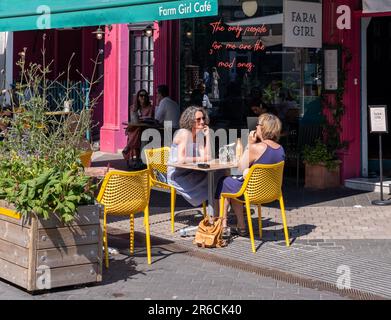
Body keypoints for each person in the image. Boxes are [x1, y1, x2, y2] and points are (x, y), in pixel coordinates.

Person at [215, 113, 285, 237]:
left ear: (263, 128)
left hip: (252, 192)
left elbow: (240, 168)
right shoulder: (280, 149)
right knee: (235, 183)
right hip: (271, 193)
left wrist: (249, 144)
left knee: (224, 181)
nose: (255, 127)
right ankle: (241, 227)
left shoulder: (256, 148)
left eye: (257, 125)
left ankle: (223, 225)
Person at [168, 106, 222, 207]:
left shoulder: (199, 135)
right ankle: (216, 214)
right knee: (215, 180)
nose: (202, 122)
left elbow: (208, 157)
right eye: (198, 119)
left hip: (191, 171)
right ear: (190, 121)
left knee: (220, 175)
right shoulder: (184, 133)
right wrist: (201, 159)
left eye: (203, 118)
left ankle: (218, 214)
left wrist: (208, 136)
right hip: (178, 175)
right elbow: (181, 160)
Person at [122, 89, 154, 167]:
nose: (143, 97)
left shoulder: (150, 107)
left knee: (138, 131)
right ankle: (137, 158)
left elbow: (149, 117)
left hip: (146, 128)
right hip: (135, 128)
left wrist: (141, 119)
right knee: (138, 131)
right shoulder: (133, 107)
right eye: (141, 96)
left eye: (145, 96)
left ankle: (128, 147)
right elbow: (133, 120)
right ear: (137, 97)